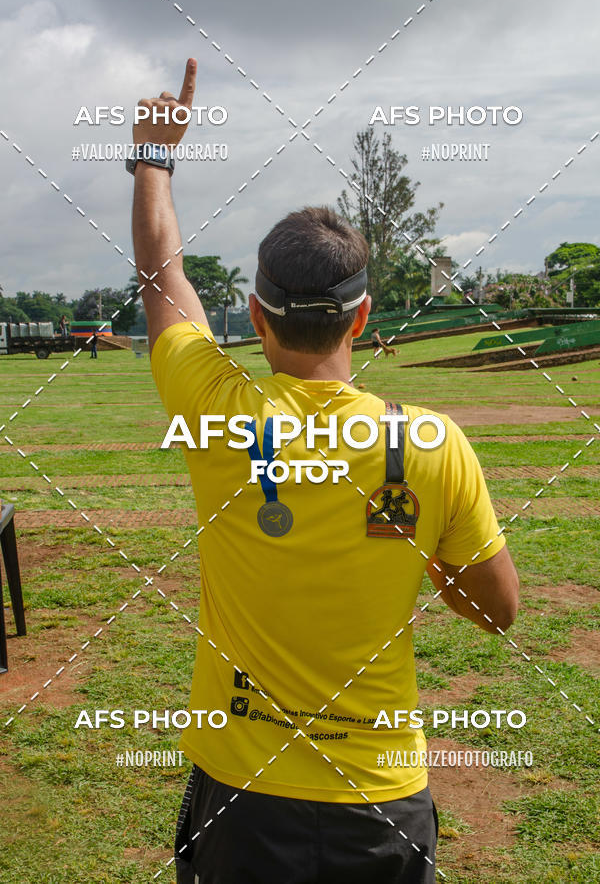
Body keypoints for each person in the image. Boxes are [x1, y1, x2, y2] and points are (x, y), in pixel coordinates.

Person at [130, 59, 519, 884]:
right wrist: (428, 558)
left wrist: (154, 159)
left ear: (256, 314)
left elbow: (163, 275)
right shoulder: (434, 443)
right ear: (363, 316)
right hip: (380, 802)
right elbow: (499, 611)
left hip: (243, 797)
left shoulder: (215, 407)